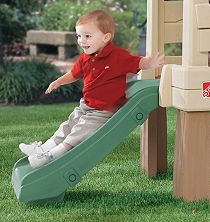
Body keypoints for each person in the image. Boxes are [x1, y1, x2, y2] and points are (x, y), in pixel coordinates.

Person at [19, 10, 164, 169]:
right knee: (68, 125)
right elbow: (74, 74)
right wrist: (59, 81)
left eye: (87, 36)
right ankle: (43, 148)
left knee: (80, 131)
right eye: (79, 36)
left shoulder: (118, 56)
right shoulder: (84, 58)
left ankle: (51, 156)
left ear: (106, 37)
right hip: (86, 105)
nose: (82, 41)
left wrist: (151, 63)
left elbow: (137, 62)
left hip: (103, 111)